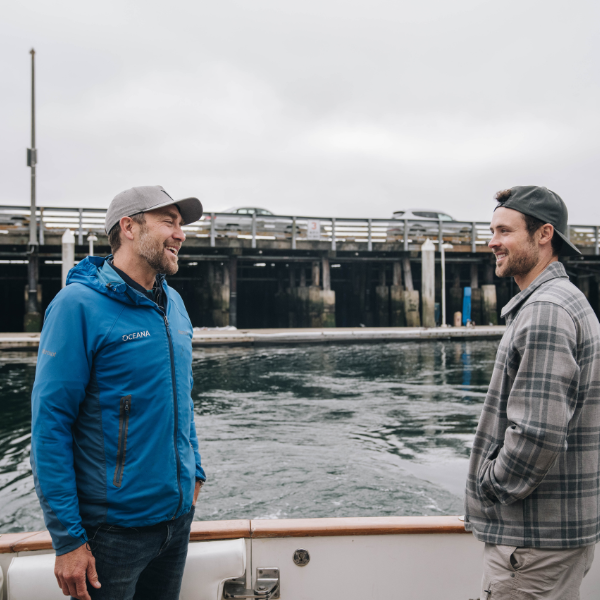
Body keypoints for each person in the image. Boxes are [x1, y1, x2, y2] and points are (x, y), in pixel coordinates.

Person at [31, 185, 207, 600]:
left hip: (176, 522)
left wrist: (194, 468)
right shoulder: (77, 306)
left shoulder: (174, 304)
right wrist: (68, 540)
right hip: (112, 535)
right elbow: (50, 427)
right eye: (169, 221)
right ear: (129, 227)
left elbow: (181, 397)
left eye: (181, 224)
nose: (180, 234)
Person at [464, 186, 600, 599]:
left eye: (504, 231)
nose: (492, 242)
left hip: (530, 542)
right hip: (549, 538)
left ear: (544, 235)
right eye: (492, 230)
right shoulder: (565, 301)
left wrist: (490, 485)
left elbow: (538, 430)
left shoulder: (545, 311)